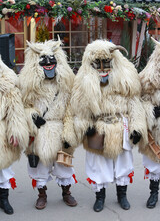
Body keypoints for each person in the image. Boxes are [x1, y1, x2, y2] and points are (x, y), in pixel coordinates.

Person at [63, 39, 148, 212]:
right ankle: (99, 197)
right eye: (98, 63)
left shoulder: (126, 78)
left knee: (123, 163)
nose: (102, 67)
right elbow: (78, 109)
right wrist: (85, 126)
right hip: (98, 127)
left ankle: (122, 195)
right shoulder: (83, 82)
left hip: (120, 126)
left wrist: (137, 127)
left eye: (106, 62)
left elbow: (134, 103)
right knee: (98, 164)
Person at [19, 38, 77, 210]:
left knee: (63, 165)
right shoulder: (30, 87)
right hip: (40, 132)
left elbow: (70, 111)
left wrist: (69, 134)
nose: (48, 64)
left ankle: (66, 192)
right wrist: (32, 116)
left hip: (59, 129)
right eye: (43, 61)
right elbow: (23, 106)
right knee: (40, 168)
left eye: (51, 60)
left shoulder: (66, 85)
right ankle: (42, 195)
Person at [0, 56, 29, 214]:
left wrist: (15, 132)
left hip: (1, 132)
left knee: (4, 169)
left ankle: (4, 198)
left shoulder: (8, 85)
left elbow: (15, 112)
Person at [138, 37, 160, 209]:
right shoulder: (148, 79)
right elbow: (142, 100)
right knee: (154, 160)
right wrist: (152, 112)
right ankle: (154, 193)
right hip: (156, 126)